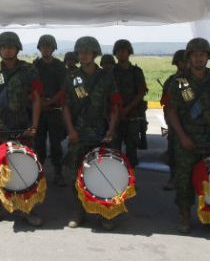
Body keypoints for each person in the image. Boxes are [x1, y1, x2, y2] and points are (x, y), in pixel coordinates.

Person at [164, 38, 210, 234]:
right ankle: (185, 216)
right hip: (186, 140)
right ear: (189, 57)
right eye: (195, 55)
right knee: (184, 180)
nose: (199, 58)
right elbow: (171, 111)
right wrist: (182, 137)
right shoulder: (179, 83)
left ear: (208, 57)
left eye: (202, 55)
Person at [0, 31, 43, 227]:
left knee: (25, 168)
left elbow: (37, 98)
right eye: (3, 47)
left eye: (11, 46)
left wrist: (34, 124)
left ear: (17, 48)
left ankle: (27, 209)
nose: (7, 50)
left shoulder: (29, 70)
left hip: (23, 128)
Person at [61, 37, 121, 229]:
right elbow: (65, 106)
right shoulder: (71, 77)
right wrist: (70, 130)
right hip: (78, 133)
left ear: (95, 54)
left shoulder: (106, 77)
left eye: (88, 52)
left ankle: (105, 212)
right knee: (76, 173)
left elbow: (115, 105)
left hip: (101, 132)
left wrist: (111, 130)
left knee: (104, 173)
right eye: (80, 52)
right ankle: (79, 211)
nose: (84, 55)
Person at [32, 34, 67, 185]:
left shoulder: (59, 66)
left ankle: (58, 173)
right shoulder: (34, 66)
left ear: (53, 48)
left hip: (54, 110)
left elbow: (64, 88)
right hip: (39, 112)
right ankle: (39, 175)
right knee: (38, 144)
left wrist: (50, 102)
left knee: (56, 144)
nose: (45, 49)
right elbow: (31, 87)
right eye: (43, 47)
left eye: (48, 47)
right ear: (39, 48)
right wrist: (40, 103)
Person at [111, 39, 147, 167]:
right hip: (115, 115)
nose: (121, 53)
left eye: (124, 51)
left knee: (132, 149)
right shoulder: (111, 72)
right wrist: (118, 111)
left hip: (133, 115)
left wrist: (127, 109)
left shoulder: (136, 71)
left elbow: (141, 93)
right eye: (118, 51)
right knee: (114, 150)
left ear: (129, 52)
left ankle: (131, 180)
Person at [160, 49, 189, 190]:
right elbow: (166, 105)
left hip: (193, 125)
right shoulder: (175, 81)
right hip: (176, 124)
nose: (185, 64)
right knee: (173, 154)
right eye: (182, 62)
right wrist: (171, 123)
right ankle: (173, 178)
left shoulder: (196, 79)